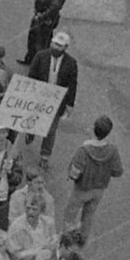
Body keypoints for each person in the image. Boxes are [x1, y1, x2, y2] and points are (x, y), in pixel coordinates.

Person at [65, 115, 124, 243]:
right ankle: (82, 240)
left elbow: (74, 173)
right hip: (99, 190)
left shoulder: (84, 150)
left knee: (70, 215)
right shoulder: (112, 151)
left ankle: (66, 241)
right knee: (88, 216)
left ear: (93, 128)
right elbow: (118, 171)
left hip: (82, 189)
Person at [26, 27, 77, 160]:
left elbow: (72, 84)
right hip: (39, 96)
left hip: (57, 100)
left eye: (59, 46)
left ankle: (45, 154)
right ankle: (30, 134)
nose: (56, 47)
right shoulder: (40, 56)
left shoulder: (71, 63)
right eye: (55, 44)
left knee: (51, 129)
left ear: (65, 48)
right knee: (32, 120)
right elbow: (31, 76)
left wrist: (70, 104)